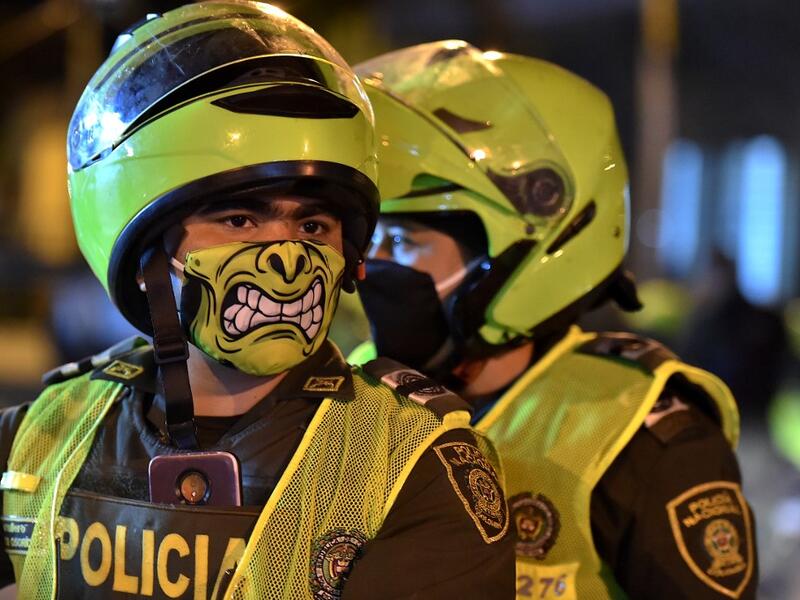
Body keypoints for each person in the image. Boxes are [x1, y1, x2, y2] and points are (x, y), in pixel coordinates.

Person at [0, 9, 514, 599]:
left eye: (314, 225)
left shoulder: (414, 466)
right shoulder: (44, 433)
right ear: (141, 247)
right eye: (239, 219)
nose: (287, 257)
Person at [351, 41, 758, 599]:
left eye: (403, 240)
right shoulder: (352, 396)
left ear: (528, 248)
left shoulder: (637, 441)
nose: (374, 267)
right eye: (371, 239)